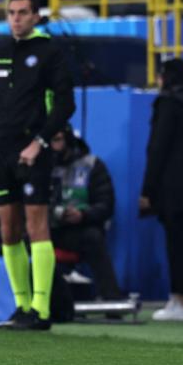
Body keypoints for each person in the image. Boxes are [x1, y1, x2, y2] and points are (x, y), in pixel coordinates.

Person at [0, 0, 75, 330]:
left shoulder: (50, 54)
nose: (16, 18)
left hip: (33, 152)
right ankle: (20, 305)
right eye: (11, 12)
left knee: (36, 227)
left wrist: (40, 143)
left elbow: (64, 105)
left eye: (22, 13)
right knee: (9, 229)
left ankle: (41, 309)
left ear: (35, 16)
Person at [140, 58, 183, 321]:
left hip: (171, 188)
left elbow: (157, 149)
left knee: (175, 246)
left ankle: (180, 300)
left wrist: (148, 189)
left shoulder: (168, 103)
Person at [50, 126, 122, 302]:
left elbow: (106, 204)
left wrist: (83, 214)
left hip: (81, 228)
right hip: (48, 227)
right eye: (51, 141)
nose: (53, 146)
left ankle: (111, 298)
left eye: (58, 140)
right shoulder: (42, 165)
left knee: (93, 237)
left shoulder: (92, 165)